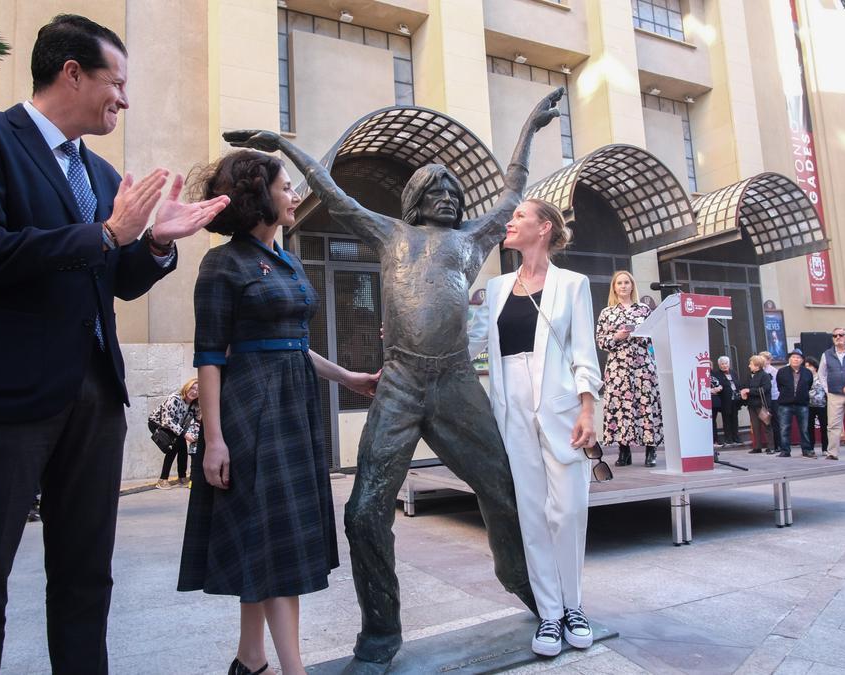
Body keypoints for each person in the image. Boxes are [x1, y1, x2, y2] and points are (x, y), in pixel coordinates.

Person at [0, 15, 231, 673]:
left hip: (92, 397)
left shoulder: (99, 173)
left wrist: (156, 242)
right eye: (116, 82)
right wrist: (109, 234)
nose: (124, 98)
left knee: (88, 579)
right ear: (71, 73)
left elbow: (113, 280)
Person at [225, 88, 563, 668]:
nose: (450, 197)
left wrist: (530, 126)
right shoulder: (389, 234)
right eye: (437, 190)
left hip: (457, 382)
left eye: (455, 192)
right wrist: (284, 145)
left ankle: (534, 591)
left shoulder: (472, 238)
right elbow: (331, 191)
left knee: (505, 492)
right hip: (401, 383)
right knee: (362, 513)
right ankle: (381, 633)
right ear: (414, 201)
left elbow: (511, 192)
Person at [179, 150, 379, 675]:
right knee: (277, 549)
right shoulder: (222, 263)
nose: (294, 195)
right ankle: (294, 672)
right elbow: (209, 356)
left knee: (267, 537)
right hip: (251, 414)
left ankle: (250, 661)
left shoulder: (286, 259)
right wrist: (214, 439)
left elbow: (293, 346)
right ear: (256, 194)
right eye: (285, 187)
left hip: (294, 411)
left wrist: (350, 378)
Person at [469, 198, 602, 657]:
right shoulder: (499, 284)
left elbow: (584, 350)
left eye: (519, 216)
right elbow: (473, 340)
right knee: (532, 513)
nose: (510, 222)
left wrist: (589, 410)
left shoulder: (573, 284)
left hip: (563, 409)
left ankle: (573, 605)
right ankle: (549, 614)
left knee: (567, 511)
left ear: (543, 227)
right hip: (512, 411)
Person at [596, 270, 663, 467]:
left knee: (646, 405)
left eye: (627, 282)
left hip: (642, 365)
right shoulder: (607, 312)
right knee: (620, 407)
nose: (623, 286)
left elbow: (656, 335)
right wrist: (617, 337)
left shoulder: (644, 310)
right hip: (618, 367)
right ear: (614, 288)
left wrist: (643, 335)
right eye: (620, 283)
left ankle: (651, 452)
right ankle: (623, 451)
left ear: (632, 285)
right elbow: (600, 341)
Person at [817, 327, 845, 460]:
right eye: (835, 335)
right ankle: (832, 453)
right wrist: (827, 390)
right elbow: (821, 374)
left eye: (841, 335)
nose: (838, 337)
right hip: (834, 394)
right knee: (833, 425)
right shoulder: (826, 354)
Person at [149, 378, 200, 489]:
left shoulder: (194, 404)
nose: (195, 392)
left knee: (182, 448)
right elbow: (167, 421)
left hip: (176, 427)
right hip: (159, 423)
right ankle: (162, 480)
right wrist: (185, 434)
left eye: (198, 390)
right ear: (187, 387)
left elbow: (198, 418)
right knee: (173, 447)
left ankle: (182, 477)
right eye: (192, 388)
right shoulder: (175, 399)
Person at [775, 349, 815, 458]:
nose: (795, 359)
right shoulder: (782, 371)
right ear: (789, 359)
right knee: (784, 428)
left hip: (802, 404)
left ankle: (806, 450)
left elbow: (809, 385)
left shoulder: (807, 372)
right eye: (793, 357)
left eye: (798, 358)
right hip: (785, 404)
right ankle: (785, 450)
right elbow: (779, 386)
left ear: (802, 360)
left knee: (804, 428)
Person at [740, 355, 774, 454]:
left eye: (751, 364)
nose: (749, 366)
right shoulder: (749, 375)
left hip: (762, 405)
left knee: (767, 425)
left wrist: (749, 390)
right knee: (755, 427)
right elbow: (744, 386)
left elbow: (765, 389)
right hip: (752, 405)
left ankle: (771, 447)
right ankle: (757, 446)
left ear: (757, 366)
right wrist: (743, 392)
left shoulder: (764, 375)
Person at [711, 356, 741, 446]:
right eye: (722, 364)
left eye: (726, 363)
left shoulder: (733, 372)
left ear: (729, 364)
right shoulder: (717, 374)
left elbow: (738, 383)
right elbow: (717, 385)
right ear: (719, 365)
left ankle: (736, 437)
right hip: (724, 400)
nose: (724, 365)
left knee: (735, 419)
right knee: (726, 419)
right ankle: (728, 438)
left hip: (735, 400)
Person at [804, 357, 828, 456]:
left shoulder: (821, 376)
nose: (808, 368)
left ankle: (825, 448)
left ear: (815, 367)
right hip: (809, 405)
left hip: (822, 404)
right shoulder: (805, 377)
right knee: (809, 427)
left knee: (824, 427)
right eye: (806, 366)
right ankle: (811, 448)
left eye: (809, 366)